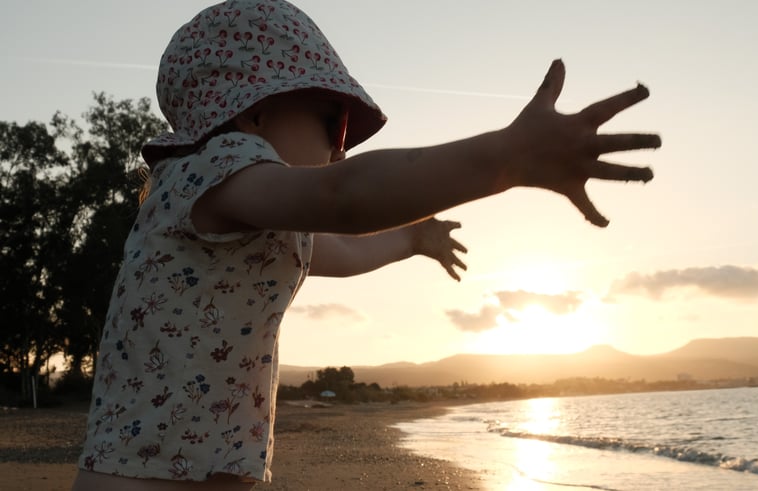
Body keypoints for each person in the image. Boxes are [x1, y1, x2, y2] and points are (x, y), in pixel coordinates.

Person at [71, 0, 661, 489]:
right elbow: (346, 198)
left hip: (197, 470)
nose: (340, 150)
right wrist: (509, 157)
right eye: (336, 122)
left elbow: (342, 249)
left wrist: (412, 238)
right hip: (141, 475)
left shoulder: (252, 217)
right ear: (250, 114)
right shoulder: (218, 165)